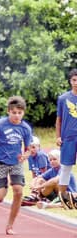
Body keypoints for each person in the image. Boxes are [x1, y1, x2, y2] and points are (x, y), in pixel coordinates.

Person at [0, 96, 33, 235]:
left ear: (23, 113)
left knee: (18, 191)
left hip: (16, 163)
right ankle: (4, 185)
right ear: (8, 111)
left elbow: (28, 148)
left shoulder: (25, 128)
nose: (17, 116)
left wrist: (26, 155)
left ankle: (10, 225)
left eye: (19, 113)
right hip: (0, 163)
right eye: (14, 112)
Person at [55, 68, 77, 209]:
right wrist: (58, 136)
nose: (76, 83)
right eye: (74, 80)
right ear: (70, 81)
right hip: (68, 138)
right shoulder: (63, 98)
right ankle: (62, 197)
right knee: (65, 167)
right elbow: (59, 119)